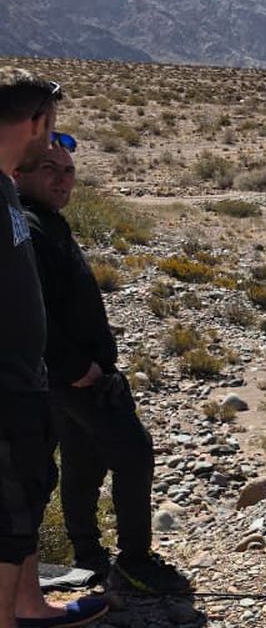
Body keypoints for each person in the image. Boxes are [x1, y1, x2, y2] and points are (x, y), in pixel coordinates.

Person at [17, 136, 189, 594]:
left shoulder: (45, 222)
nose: (62, 180)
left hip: (70, 372)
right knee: (133, 452)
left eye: (69, 171)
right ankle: (134, 560)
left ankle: (89, 556)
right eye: (50, 170)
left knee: (81, 460)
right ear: (19, 172)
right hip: (72, 373)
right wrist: (78, 369)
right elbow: (30, 311)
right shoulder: (28, 228)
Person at [0, 68, 106, 628]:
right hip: (3, 386)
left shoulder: (7, 190)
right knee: (6, 511)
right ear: (38, 123)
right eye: (53, 126)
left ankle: (30, 605)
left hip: (25, 377)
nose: (56, 142)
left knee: (29, 494)